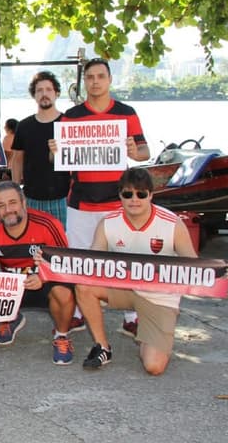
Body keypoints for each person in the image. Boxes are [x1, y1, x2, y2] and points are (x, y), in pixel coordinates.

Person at [73, 168, 228, 375]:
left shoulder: (172, 223)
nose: (134, 199)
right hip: (124, 290)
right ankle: (102, 347)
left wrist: (220, 273)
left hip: (160, 297)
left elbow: (194, 263)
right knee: (84, 286)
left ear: (151, 195)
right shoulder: (108, 223)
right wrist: (50, 261)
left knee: (154, 366)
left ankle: (148, 333)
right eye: (127, 194)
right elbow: (91, 262)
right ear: (120, 195)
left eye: (141, 194)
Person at [54, 58, 150, 336]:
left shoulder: (126, 113)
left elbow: (145, 153)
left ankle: (132, 316)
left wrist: (134, 151)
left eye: (100, 76)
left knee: (126, 258)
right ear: (84, 82)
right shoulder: (71, 117)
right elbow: (57, 157)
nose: (95, 81)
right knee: (79, 258)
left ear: (109, 80)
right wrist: (54, 149)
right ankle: (78, 313)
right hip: (81, 201)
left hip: (119, 201)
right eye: (90, 77)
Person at [0, 181, 78, 365]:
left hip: (45, 282)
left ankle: (62, 336)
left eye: (12, 203)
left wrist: (43, 276)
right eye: (1, 205)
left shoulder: (48, 224)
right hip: (13, 288)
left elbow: (67, 264)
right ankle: (11, 318)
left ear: (24, 202)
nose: (8, 210)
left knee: (64, 293)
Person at [10, 71, 71, 226]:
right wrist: (16, 192)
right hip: (31, 198)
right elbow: (17, 160)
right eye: (39, 90)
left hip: (62, 198)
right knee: (33, 244)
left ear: (56, 93)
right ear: (34, 95)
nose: (44, 94)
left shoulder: (68, 124)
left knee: (62, 246)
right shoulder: (24, 126)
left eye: (49, 90)